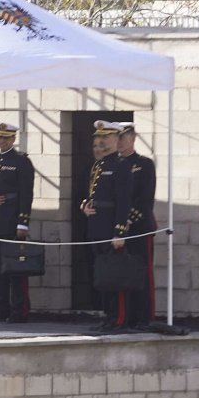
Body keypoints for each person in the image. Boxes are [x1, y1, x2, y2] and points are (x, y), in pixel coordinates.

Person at [91, 121, 158, 332]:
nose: (118, 142)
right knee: (117, 272)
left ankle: (143, 315)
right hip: (115, 223)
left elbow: (144, 199)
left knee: (140, 271)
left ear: (132, 137)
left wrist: (126, 221)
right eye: (116, 138)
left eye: (123, 137)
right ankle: (123, 315)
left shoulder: (143, 164)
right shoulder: (109, 164)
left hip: (138, 225)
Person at [0, 121, 36, 322]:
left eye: (5, 137)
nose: (2, 141)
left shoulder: (21, 161)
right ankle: (0, 307)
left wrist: (23, 222)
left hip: (13, 219)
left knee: (15, 268)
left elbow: (26, 194)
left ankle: (19, 309)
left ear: (13, 138)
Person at [79, 119, 122, 318]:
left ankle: (115, 316)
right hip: (96, 225)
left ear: (116, 139)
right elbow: (95, 194)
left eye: (106, 137)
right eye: (100, 137)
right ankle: (107, 315)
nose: (102, 141)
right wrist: (85, 206)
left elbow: (124, 201)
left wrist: (119, 231)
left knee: (111, 274)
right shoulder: (98, 165)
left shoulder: (120, 165)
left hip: (110, 227)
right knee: (100, 273)